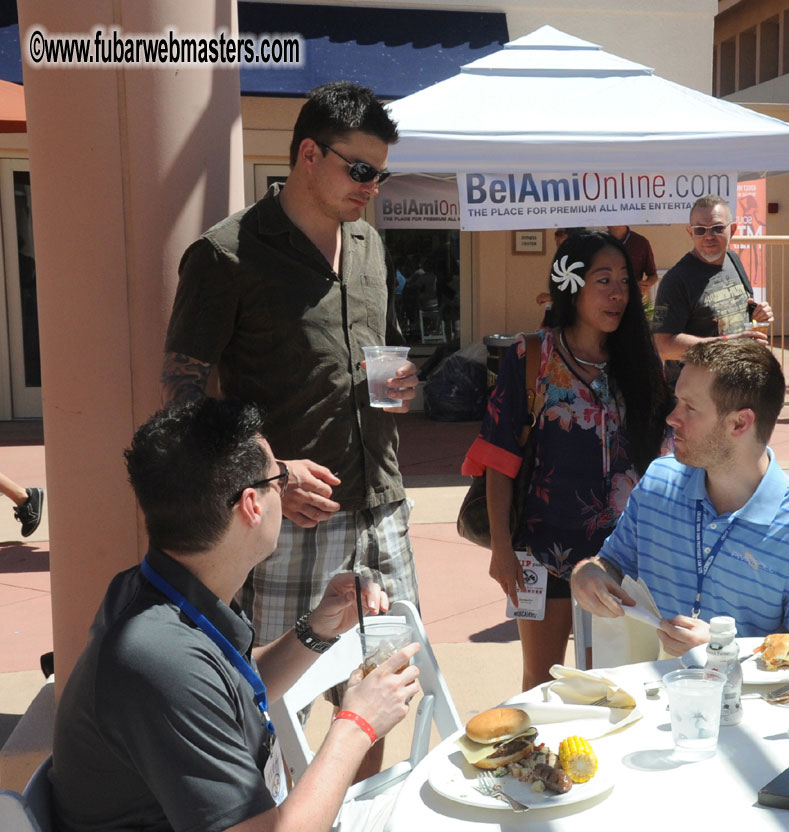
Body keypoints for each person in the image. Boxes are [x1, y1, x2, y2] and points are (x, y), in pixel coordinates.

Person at [51, 399, 421, 832]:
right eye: (279, 479)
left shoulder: (155, 590)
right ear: (252, 505)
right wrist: (357, 723)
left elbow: (228, 688)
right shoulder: (160, 660)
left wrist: (318, 628)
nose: (284, 489)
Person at [161, 81, 420, 647]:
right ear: (309, 154)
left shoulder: (369, 245)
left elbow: (383, 354)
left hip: (380, 503)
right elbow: (182, 401)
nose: (372, 188)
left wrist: (402, 385)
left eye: (381, 174)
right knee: (279, 705)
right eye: (359, 170)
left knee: (385, 682)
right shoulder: (227, 255)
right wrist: (269, 472)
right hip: (288, 518)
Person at [463, 231, 669, 690]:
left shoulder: (641, 360)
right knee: (543, 679)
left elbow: (665, 452)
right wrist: (500, 549)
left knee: (615, 679)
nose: (619, 293)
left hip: (621, 551)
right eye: (603, 280)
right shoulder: (530, 354)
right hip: (542, 548)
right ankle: (543, 761)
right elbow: (499, 459)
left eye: (625, 280)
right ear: (571, 285)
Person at [570, 339, 789, 655]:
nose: (672, 418)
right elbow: (612, 563)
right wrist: (588, 573)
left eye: (690, 407)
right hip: (649, 697)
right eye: (677, 402)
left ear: (739, 423)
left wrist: (727, 652)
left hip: (745, 704)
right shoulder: (658, 483)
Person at [652, 195, 774, 382]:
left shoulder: (733, 259)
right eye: (700, 230)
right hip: (695, 395)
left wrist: (758, 313)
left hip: (733, 382)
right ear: (690, 232)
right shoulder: (676, 280)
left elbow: (743, 307)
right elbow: (665, 346)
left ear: (732, 229)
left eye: (717, 228)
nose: (709, 236)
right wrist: (730, 343)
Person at [536, 227, 587, 324]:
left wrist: (552, 297)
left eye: (558, 234)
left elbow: (581, 293)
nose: (555, 238)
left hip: (572, 322)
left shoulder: (580, 261)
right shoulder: (562, 259)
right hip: (556, 320)